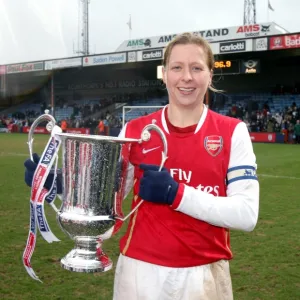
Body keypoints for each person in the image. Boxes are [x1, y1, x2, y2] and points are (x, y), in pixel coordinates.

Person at [24, 33, 259, 300]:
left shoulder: (232, 132)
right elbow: (106, 204)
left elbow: (247, 214)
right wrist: (62, 186)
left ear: (210, 75)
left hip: (204, 273)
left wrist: (176, 194)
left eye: (196, 68)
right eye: (177, 67)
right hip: (139, 272)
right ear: (165, 74)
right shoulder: (135, 131)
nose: (186, 77)